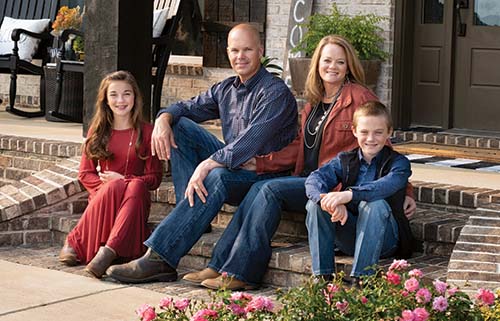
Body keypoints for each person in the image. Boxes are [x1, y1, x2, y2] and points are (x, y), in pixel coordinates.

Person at [181, 35, 416, 290]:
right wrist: (259, 164)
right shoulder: (314, 103)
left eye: (340, 62)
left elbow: (383, 147)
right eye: (327, 61)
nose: (332, 67)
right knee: (259, 186)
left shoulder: (358, 97)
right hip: (315, 182)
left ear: (348, 66)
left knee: (268, 189)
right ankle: (219, 264)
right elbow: (298, 147)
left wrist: (407, 191)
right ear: (317, 64)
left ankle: (241, 273)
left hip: (340, 187)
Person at [105, 23, 298, 283]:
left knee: (216, 177)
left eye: (247, 50)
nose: (240, 56)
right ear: (228, 52)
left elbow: (248, 144)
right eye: (234, 50)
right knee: (180, 125)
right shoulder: (226, 89)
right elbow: (184, 107)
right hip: (235, 167)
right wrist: (163, 120)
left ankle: (160, 258)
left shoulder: (274, 93)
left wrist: (207, 164)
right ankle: (193, 209)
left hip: (264, 174)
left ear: (260, 51)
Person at [58, 70, 163, 278]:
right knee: (115, 186)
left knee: (137, 185)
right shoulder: (98, 131)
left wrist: (125, 180)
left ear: (135, 97)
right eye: (114, 94)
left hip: (135, 200)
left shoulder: (148, 132)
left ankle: (106, 250)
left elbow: (154, 178)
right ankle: (85, 243)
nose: (121, 100)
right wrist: (111, 185)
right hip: (104, 198)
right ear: (105, 100)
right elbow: (85, 174)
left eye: (127, 94)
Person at [305, 101, 414, 284]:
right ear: (354, 131)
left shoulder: (399, 163)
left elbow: (384, 186)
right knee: (314, 205)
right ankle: (322, 277)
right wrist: (329, 202)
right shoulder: (345, 159)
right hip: (350, 235)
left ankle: (362, 279)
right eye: (364, 132)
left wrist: (347, 195)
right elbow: (314, 180)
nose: (370, 138)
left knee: (374, 204)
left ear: (389, 132)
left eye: (378, 132)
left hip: (385, 240)